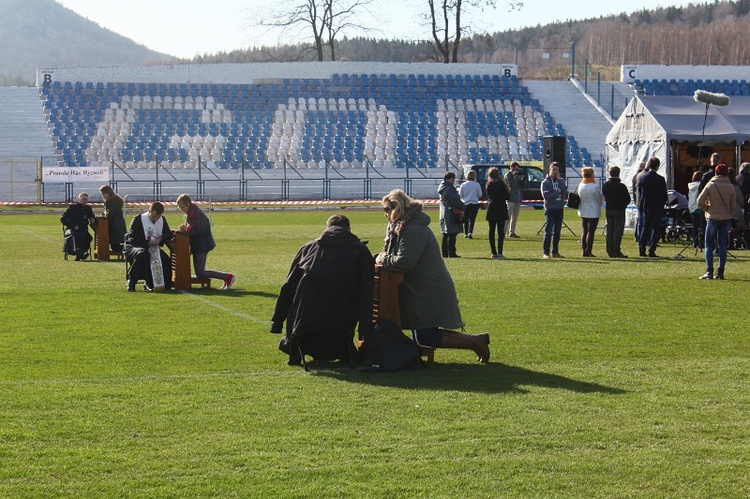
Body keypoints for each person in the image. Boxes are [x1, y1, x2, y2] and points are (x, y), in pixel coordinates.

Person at [375, 190, 490, 363]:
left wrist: (382, 257)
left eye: (387, 209)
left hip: (427, 290)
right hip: (418, 289)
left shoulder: (412, 229)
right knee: (422, 336)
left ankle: (476, 341)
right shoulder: (401, 228)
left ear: (397, 208)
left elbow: (406, 261)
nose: (385, 214)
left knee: (426, 337)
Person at [270, 214, 374, 366]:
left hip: (304, 330)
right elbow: (366, 293)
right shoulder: (359, 251)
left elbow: (288, 287)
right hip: (340, 330)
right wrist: (366, 334)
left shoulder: (308, 249)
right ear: (349, 229)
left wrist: (277, 322)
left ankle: (294, 350)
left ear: (327, 228)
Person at [176, 194, 235, 290]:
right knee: (200, 273)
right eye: (179, 208)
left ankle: (227, 277)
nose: (181, 210)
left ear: (188, 204)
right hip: (198, 246)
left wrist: (187, 231)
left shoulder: (198, 214)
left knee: (200, 273)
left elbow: (201, 231)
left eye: (182, 207)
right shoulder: (191, 213)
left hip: (202, 246)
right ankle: (225, 278)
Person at [123, 201, 173, 292]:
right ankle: (132, 281)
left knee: (164, 258)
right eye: (153, 216)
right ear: (149, 211)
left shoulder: (162, 220)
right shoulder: (138, 219)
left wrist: (160, 238)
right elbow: (133, 239)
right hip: (133, 247)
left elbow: (168, 234)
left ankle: (163, 284)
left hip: (152, 247)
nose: (155, 219)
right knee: (143, 254)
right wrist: (148, 243)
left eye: (158, 217)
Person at [697, 163, 736, 280]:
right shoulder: (730, 186)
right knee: (722, 245)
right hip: (725, 218)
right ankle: (720, 271)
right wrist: (727, 211)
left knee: (709, 244)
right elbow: (733, 206)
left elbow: (699, 201)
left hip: (713, 217)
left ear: (716, 173)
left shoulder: (711, 185)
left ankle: (709, 271)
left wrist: (707, 208)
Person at [637, 157, 668, 257]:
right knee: (655, 228)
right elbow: (664, 195)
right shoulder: (660, 179)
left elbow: (640, 193)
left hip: (646, 205)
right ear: (658, 166)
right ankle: (652, 249)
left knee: (645, 227)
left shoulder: (642, 177)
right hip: (657, 206)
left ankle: (642, 249)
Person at [601, 166, 631, 258]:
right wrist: (623, 205)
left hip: (609, 209)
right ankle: (616, 250)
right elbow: (627, 199)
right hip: (619, 210)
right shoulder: (621, 186)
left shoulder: (606, 185)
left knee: (610, 231)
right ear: (618, 173)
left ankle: (610, 250)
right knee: (618, 231)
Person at [541, 162, 568, 258]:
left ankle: (555, 251)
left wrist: (560, 179)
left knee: (557, 231)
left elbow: (565, 191)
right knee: (548, 231)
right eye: (554, 170)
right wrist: (557, 192)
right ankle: (546, 252)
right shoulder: (545, 182)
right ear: (550, 170)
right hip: (550, 209)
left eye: (557, 170)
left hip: (559, 209)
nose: (555, 172)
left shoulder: (560, 181)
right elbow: (547, 196)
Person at [576, 167, 603, 257]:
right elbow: (599, 199)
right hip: (593, 210)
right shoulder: (595, 186)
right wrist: (600, 203)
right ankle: (589, 250)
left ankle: (584, 250)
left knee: (584, 231)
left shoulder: (581, 185)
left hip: (583, 209)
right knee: (591, 232)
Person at [61, 192, 96, 261]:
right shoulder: (72, 207)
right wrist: (73, 225)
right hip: (71, 229)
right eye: (83, 199)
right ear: (78, 199)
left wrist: (94, 219)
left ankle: (81, 252)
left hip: (83, 229)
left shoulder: (88, 208)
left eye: (86, 199)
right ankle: (81, 252)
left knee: (86, 236)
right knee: (75, 235)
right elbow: (63, 219)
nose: (84, 201)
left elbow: (92, 218)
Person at [438, 171, 465, 258]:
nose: (453, 180)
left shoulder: (442, 187)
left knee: (445, 234)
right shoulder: (449, 189)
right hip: (451, 212)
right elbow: (456, 201)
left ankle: (445, 253)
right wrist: (464, 208)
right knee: (452, 234)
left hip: (444, 212)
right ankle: (451, 253)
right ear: (447, 179)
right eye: (452, 178)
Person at [485, 167, 510, 259]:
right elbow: (507, 196)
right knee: (500, 232)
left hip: (491, 208)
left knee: (491, 231)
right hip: (501, 208)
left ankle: (493, 252)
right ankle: (500, 251)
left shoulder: (488, 184)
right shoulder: (501, 184)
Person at [98, 185, 126, 253]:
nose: (103, 195)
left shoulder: (111, 201)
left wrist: (104, 216)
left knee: (115, 245)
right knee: (115, 245)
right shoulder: (113, 200)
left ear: (108, 193)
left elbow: (110, 214)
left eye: (104, 193)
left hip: (115, 225)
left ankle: (128, 249)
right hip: (117, 224)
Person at [458, 170, 483, 239]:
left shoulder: (463, 184)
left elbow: (460, 195)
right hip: (474, 203)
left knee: (465, 218)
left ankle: (465, 233)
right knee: (472, 219)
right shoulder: (477, 184)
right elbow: (480, 194)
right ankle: (470, 232)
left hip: (465, 203)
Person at [504, 161, 525, 238]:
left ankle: (512, 232)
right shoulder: (508, 175)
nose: (517, 171)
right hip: (510, 198)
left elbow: (522, 186)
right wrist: (516, 176)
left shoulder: (518, 175)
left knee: (515, 217)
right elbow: (511, 185)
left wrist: (522, 178)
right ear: (512, 168)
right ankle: (503, 232)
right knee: (508, 216)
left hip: (518, 198)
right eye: (515, 169)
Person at [687, 171, 705, 249]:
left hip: (692, 207)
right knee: (703, 226)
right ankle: (702, 241)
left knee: (695, 225)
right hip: (699, 207)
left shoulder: (691, 186)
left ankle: (695, 241)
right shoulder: (700, 185)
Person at [631, 161, 647, 242]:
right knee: (641, 220)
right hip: (641, 201)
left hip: (638, 200)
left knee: (640, 219)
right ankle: (640, 237)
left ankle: (638, 236)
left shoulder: (635, 176)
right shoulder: (640, 176)